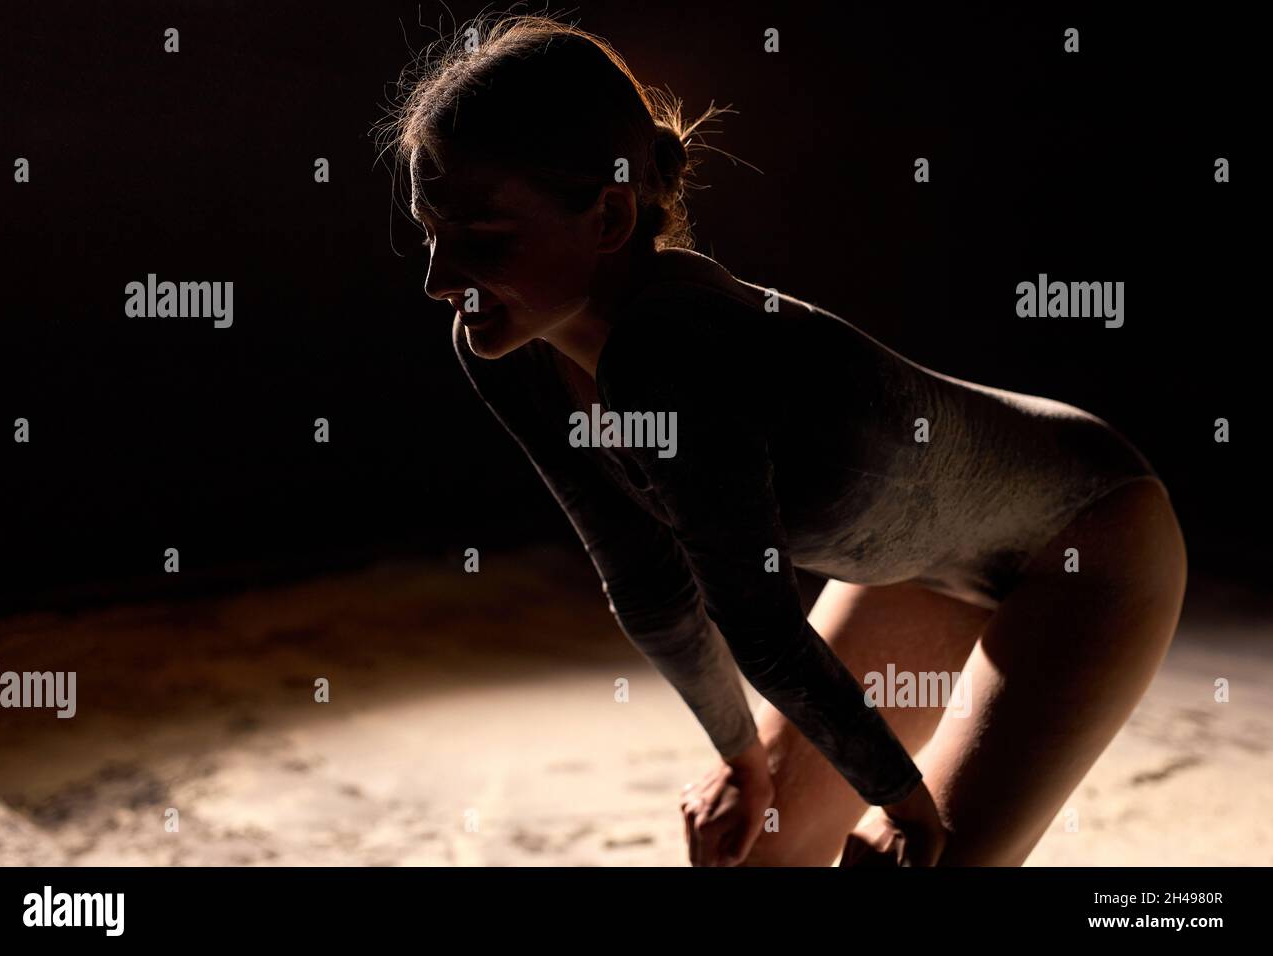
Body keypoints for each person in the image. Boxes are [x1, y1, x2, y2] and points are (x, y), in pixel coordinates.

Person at [386, 13, 1188, 866]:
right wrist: (740, 762)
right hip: (916, 568)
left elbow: (757, 621)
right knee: (752, 849)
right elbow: (645, 580)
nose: (439, 280)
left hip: (1088, 535)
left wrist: (905, 808)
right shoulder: (504, 348)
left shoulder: (675, 351)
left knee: (907, 863)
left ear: (612, 216)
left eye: (481, 239)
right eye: (429, 232)